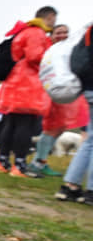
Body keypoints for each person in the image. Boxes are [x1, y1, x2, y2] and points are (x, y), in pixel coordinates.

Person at [0, 6, 56, 177]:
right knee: (25, 125)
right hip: (27, 85)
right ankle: (19, 165)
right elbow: (35, 56)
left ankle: (2, 161)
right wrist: (51, 59)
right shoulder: (37, 33)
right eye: (53, 19)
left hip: (14, 83)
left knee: (11, 124)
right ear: (49, 17)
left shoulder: (24, 31)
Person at [28, 24, 82, 177]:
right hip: (49, 94)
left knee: (59, 128)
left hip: (63, 94)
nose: (63, 35)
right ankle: (37, 162)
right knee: (51, 128)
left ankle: (41, 161)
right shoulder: (48, 51)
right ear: (51, 35)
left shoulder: (68, 50)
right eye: (58, 32)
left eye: (66, 32)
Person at [55, 25, 93, 204]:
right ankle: (91, 191)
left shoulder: (89, 30)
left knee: (89, 141)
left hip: (88, 89)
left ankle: (71, 186)